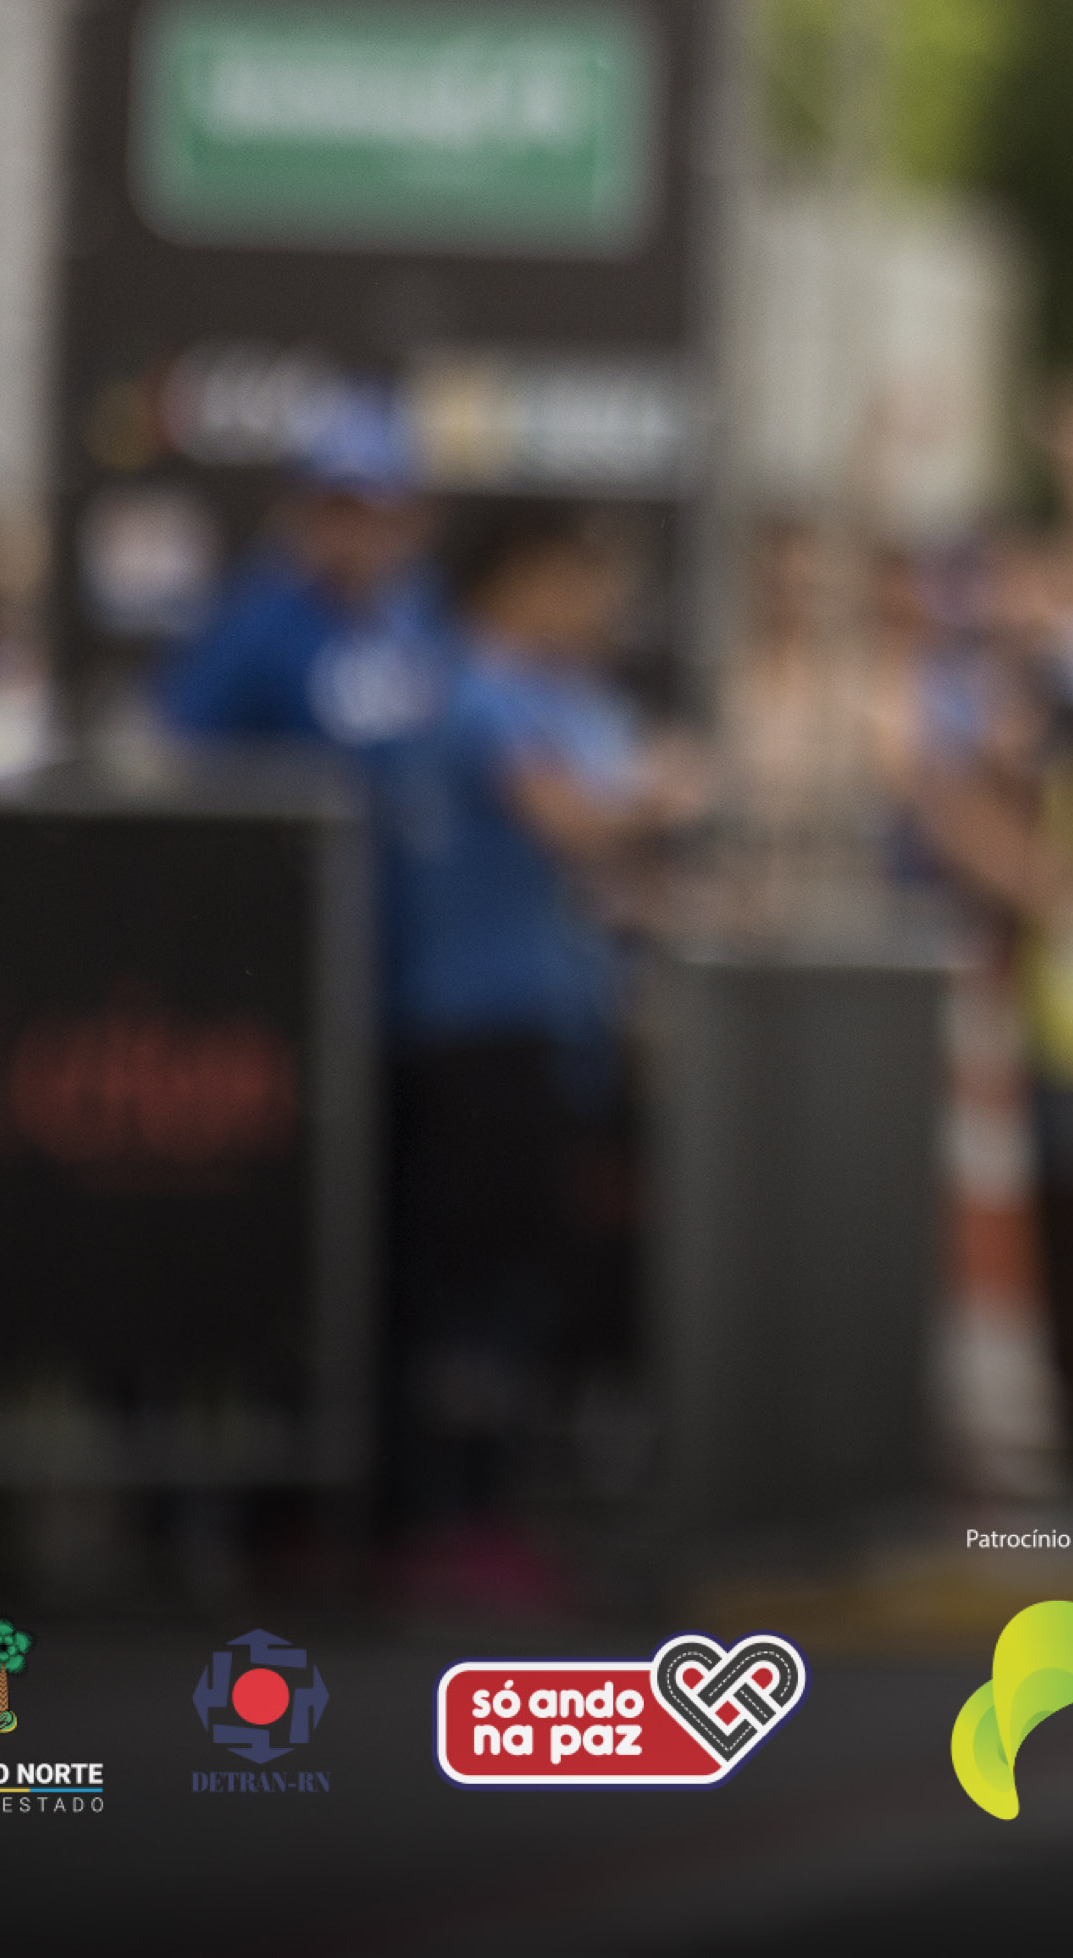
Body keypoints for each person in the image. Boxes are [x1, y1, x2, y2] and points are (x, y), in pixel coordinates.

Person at [370, 502, 695, 1578]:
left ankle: (482, 1510)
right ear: (520, 580)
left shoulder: (535, 696)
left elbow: (596, 862)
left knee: (522, 1274)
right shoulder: (483, 695)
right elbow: (572, 822)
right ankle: (452, 1521)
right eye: (578, 578)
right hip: (480, 1034)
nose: (597, 604)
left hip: (538, 1029)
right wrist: (667, 791)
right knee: (480, 1282)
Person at [147, 390, 447, 758]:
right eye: (336, 509)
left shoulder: (419, 604)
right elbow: (181, 744)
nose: (354, 532)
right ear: (301, 511)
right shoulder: (254, 624)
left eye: (372, 510)